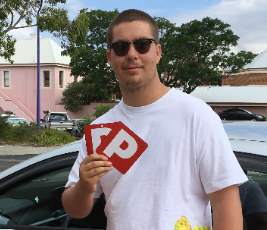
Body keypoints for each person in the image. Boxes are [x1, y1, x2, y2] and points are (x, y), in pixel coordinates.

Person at [62, 9, 248, 230]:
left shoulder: (196, 115)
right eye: (121, 47)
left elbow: (225, 200)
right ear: (110, 57)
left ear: (158, 52)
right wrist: (84, 185)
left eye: (142, 45)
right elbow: (75, 210)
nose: (131, 54)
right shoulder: (101, 129)